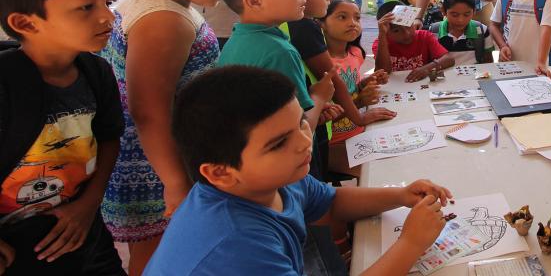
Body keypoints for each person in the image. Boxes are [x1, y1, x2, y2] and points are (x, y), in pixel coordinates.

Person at [144, 66, 453, 276]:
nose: (304, 142)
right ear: (220, 173)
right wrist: (411, 243)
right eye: (278, 143)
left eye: (301, 123)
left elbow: (330, 201)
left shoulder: (272, 179)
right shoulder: (236, 244)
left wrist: (400, 195)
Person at [99, 0, 235, 275]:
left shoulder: (164, 3)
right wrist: (175, 182)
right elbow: (148, 110)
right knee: (161, 259)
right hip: (155, 162)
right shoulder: (164, 19)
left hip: (159, 154)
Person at [0, 0, 125, 275]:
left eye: (108, 2)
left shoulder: (96, 72)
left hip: (81, 229)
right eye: (87, 7)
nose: (108, 17)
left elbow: (109, 137)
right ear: (25, 23)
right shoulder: (6, 82)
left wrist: (88, 205)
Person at [213, 0, 337, 134]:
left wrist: (315, 110)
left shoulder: (237, 41)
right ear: (254, 1)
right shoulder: (279, 53)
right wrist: (319, 98)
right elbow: (297, 136)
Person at [320, 0, 393, 178]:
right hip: (333, 144)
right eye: (342, 17)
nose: (352, 23)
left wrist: (365, 83)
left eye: (357, 18)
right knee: (379, 174)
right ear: (321, 23)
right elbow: (322, 119)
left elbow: (350, 89)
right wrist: (360, 102)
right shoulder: (320, 64)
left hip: (359, 133)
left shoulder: (355, 53)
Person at [374, 1, 454, 82]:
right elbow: (383, 71)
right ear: (386, 31)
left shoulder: (424, 36)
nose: (407, 34)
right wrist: (382, 35)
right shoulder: (381, 43)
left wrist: (426, 68)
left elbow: (449, 59)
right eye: (396, 31)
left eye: (409, 25)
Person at [428, 0, 494, 65]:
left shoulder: (482, 30)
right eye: (454, 15)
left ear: (474, 11)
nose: (460, 20)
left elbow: (488, 62)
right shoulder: (433, 32)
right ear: (444, 11)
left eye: (466, 14)